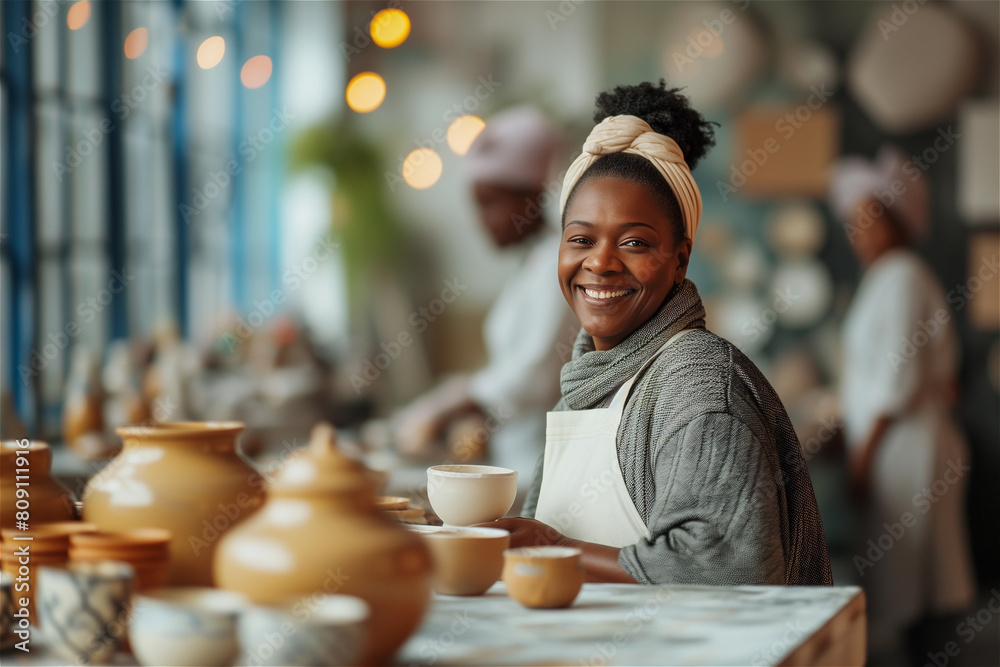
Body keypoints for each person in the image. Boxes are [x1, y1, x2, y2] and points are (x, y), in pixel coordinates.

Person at [488, 81, 832, 587]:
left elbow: (727, 567)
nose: (600, 262)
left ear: (680, 261)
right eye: (581, 239)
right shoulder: (584, 390)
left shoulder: (696, 380)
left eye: (634, 242)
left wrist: (555, 548)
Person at [831, 146, 976, 662]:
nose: (857, 233)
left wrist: (864, 457)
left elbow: (897, 378)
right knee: (914, 574)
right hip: (905, 442)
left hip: (904, 446)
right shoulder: (891, 276)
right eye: (852, 223)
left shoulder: (900, 278)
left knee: (909, 575)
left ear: (895, 218)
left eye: (867, 219)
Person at [395, 106, 577, 478]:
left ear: (535, 194)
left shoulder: (562, 263)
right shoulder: (533, 263)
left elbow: (534, 377)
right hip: (514, 459)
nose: (482, 223)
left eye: (491, 203)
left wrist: (453, 400)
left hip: (541, 471)